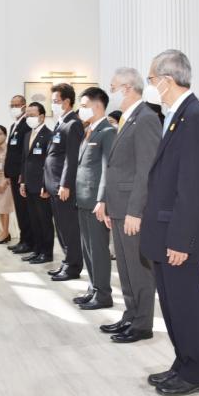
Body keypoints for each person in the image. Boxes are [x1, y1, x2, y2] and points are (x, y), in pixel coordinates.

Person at [140, 50, 199, 396]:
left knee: (187, 306)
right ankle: (182, 362)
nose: (150, 86)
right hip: (165, 228)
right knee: (172, 306)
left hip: (179, 234)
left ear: (166, 80)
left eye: (151, 79)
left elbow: (193, 186)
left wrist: (180, 240)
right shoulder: (177, 114)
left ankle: (196, 372)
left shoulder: (195, 116)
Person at [98, 67, 161, 343]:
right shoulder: (127, 118)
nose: (110, 92)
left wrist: (136, 210)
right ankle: (130, 315)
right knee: (124, 268)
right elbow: (116, 167)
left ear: (126, 88)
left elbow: (146, 170)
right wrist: (108, 202)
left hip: (132, 209)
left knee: (139, 269)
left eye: (113, 87)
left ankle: (143, 323)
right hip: (118, 205)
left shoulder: (146, 118)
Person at [73, 87, 116, 309]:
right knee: (88, 249)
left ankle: (103, 294)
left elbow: (108, 169)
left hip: (95, 201)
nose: (80, 110)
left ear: (97, 106)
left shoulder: (107, 132)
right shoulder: (89, 130)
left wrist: (102, 200)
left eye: (83, 106)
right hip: (83, 199)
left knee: (98, 249)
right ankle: (93, 288)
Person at [44, 83, 84, 281]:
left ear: (67, 101)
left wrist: (65, 184)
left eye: (56, 101)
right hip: (54, 185)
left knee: (69, 228)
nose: (52, 105)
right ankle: (67, 262)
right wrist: (46, 184)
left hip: (63, 186)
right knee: (60, 228)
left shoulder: (73, 124)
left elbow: (71, 157)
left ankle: (73, 266)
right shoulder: (60, 123)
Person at [19, 102, 54, 264]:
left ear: (42, 116)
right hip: (29, 185)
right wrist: (23, 182)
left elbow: (49, 164)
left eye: (32, 115)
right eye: (27, 115)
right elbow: (25, 160)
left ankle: (46, 253)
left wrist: (45, 185)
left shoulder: (49, 135)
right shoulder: (28, 135)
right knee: (34, 220)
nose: (29, 118)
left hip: (42, 186)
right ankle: (37, 250)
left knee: (44, 221)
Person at [4, 95, 34, 254]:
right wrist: (8, 173)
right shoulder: (14, 125)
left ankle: (28, 241)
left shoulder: (26, 124)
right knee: (20, 209)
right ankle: (23, 239)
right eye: (12, 105)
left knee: (24, 210)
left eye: (17, 105)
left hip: (21, 175)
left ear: (24, 106)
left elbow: (24, 153)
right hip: (13, 174)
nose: (14, 108)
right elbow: (12, 151)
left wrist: (22, 175)